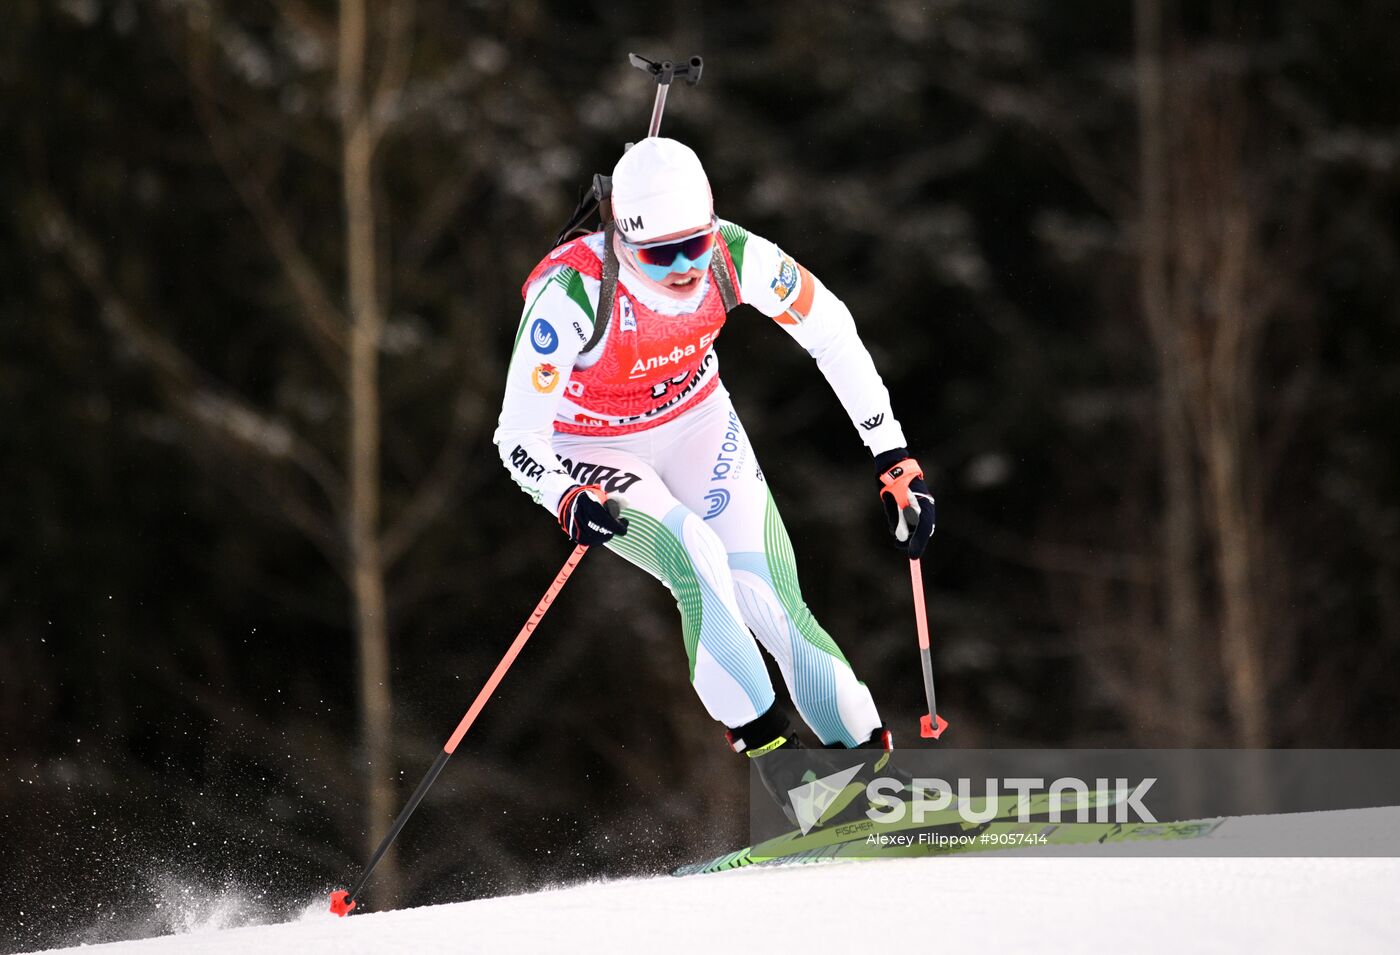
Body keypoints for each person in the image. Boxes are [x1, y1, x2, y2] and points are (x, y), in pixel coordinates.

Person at [494, 137, 934, 809]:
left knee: (769, 593)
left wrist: (893, 456)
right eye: (657, 254)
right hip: (593, 447)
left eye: (692, 246)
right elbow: (517, 433)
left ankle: (879, 787)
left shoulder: (736, 254)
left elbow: (831, 329)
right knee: (697, 559)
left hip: (698, 421)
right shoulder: (573, 291)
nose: (680, 268)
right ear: (621, 238)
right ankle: (794, 787)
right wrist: (565, 494)